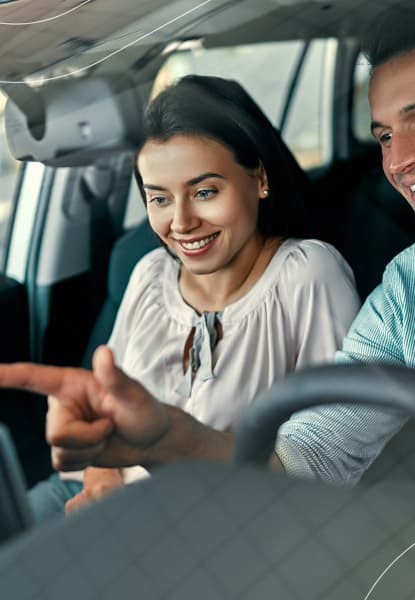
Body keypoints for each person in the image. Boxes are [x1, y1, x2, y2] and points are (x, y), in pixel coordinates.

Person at [0, 1, 415, 571]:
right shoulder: (413, 290)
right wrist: (168, 438)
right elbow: (309, 459)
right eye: (385, 134)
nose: (399, 160)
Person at [24, 74, 360, 521]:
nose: (181, 223)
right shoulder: (148, 274)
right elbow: (106, 422)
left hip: (214, 523)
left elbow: (330, 459)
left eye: (204, 192)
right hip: (97, 494)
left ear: (259, 178)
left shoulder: (308, 274)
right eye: (159, 199)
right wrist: (99, 482)